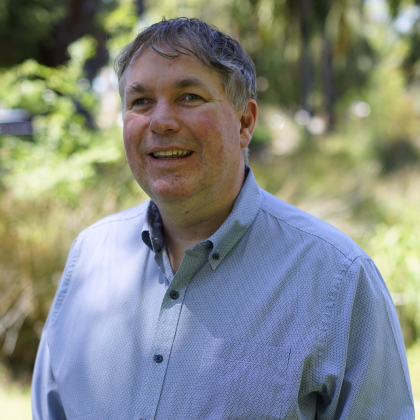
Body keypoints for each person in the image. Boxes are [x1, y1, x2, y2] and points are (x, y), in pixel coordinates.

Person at [32, 17, 414, 420]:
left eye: (189, 97)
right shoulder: (90, 255)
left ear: (245, 122)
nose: (160, 122)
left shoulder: (338, 278)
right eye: (141, 101)